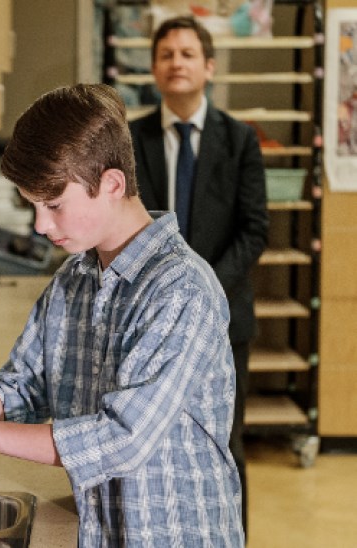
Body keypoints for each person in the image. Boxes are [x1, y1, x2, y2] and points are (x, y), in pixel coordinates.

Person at [0, 83, 244, 547]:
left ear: (111, 184)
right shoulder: (74, 280)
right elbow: (27, 383)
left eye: (53, 205)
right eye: (32, 206)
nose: (40, 225)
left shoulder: (180, 289)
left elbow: (122, 438)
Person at [128, 16, 269, 537]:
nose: (176, 63)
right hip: (148, 323)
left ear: (208, 67)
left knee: (224, 444)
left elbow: (255, 232)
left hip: (224, 324)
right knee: (152, 441)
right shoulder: (129, 138)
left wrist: (200, 290)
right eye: (166, 54)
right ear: (154, 68)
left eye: (187, 54)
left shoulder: (240, 142)